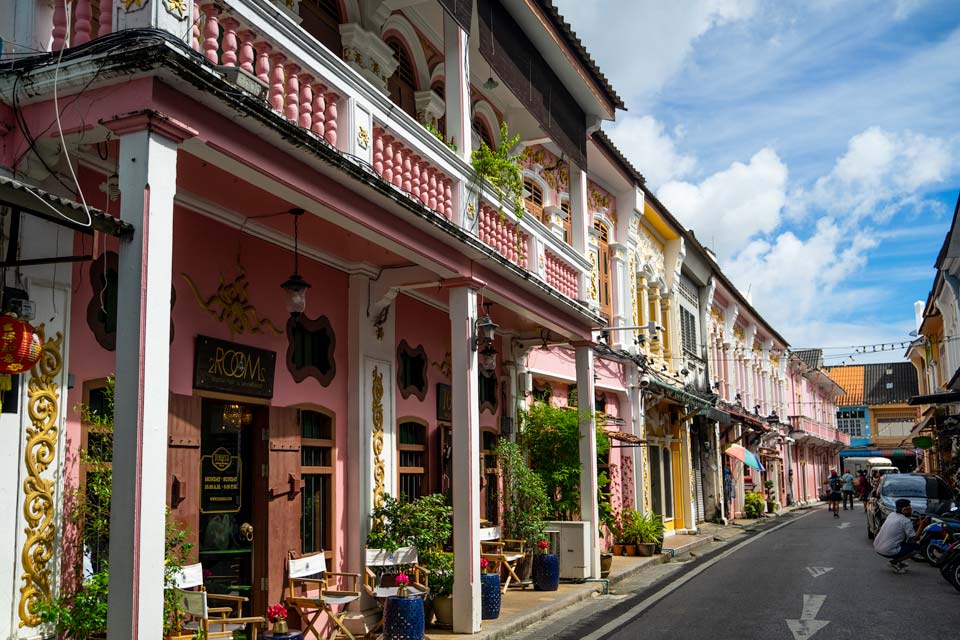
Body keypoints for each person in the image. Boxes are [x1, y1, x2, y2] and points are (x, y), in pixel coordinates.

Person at [873, 498, 929, 573]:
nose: (911, 510)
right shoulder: (906, 521)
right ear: (904, 510)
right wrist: (922, 525)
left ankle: (898, 562)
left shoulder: (892, 514)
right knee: (916, 547)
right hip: (887, 550)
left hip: (877, 547)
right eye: (909, 508)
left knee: (902, 541)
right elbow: (914, 539)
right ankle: (894, 562)